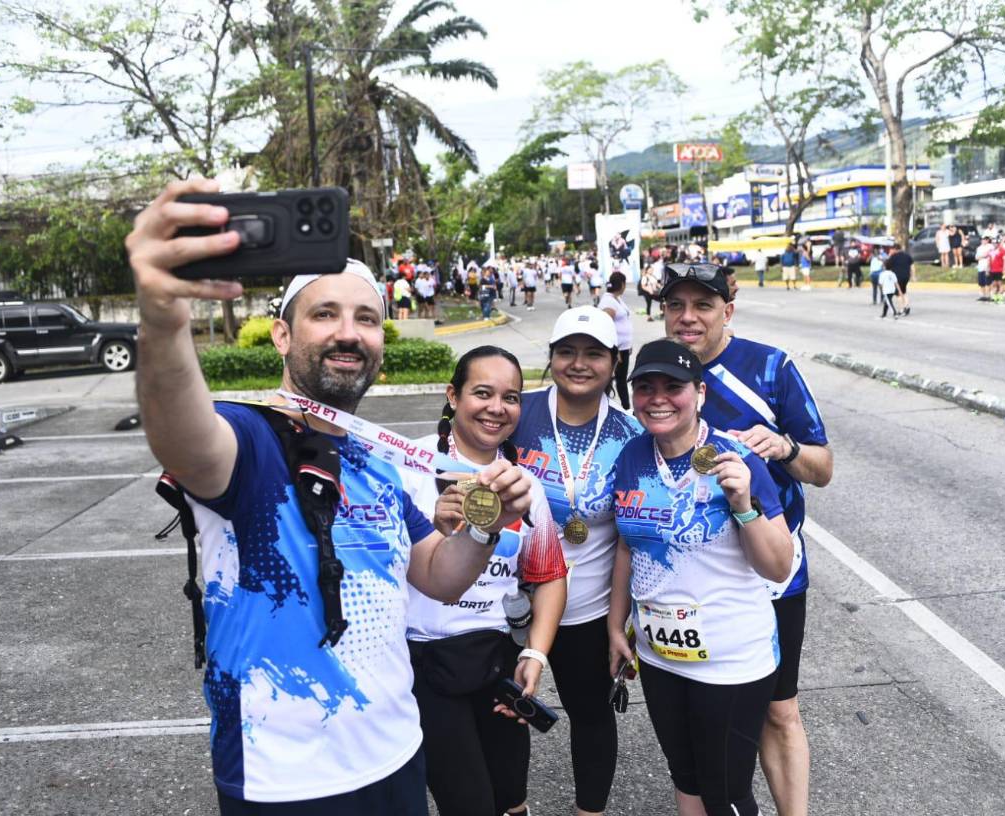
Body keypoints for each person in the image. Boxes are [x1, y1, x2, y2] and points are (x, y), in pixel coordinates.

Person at [127, 178, 535, 815]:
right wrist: (160, 316)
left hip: (397, 754)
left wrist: (486, 528)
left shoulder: (377, 459)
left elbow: (437, 576)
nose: (349, 333)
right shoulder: (248, 438)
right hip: (282, 780)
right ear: (283, 337)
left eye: (366, 318)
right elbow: (180, 432)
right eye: (325, 315)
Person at [661, 262, 832, 816]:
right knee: (701, 710)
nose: (688, 318)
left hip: (770, 570)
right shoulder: (656, 374)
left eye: (702, 306)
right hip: (690, 577)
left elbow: (823, 467)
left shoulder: (769, 367)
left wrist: (784, 450)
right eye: (676, 306)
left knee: (778, 710)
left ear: (726, 312)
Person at [607, 338, 793, 816]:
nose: (658, 398)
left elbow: (777, 566)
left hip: (729, 660)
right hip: (661, 657)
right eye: (645, 387)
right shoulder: (631, 457)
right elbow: (628, 544)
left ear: (700, 393)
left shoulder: (736, 458)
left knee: (726, 792)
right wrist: (614, 625)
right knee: (686, 778)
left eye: (674, 386)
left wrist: (743, 506)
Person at [404, 345, 568, 816]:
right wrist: (428, 528)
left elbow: (550, 576)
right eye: (482, 393)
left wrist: (534, 655)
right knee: (470, 804)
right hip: (425, 662)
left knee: (511, 799)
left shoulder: (523, 485)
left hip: (497, 662)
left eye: (511, 397)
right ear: (452, 396)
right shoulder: (407, 468)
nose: (497, 408)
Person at [509, 307, 644, 816]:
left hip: (587, 610)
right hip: (511, 604)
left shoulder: (632, 434)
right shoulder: (519, 412)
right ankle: (513, 807)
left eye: (593, 354)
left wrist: (620, 624)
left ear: (614, 362)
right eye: (567, 352)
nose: (579, 364)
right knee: (507, 714)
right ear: (551, 358)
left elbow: (632, 538)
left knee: (591, 716)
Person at [598, 272, 634, 412]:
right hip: (616, 349)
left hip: (623, 348)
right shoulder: (608, 301)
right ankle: (616, 407)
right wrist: (615, 349)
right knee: (612, 379)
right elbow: (606, 325)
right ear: (622, 284)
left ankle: (625, 407)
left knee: (620, 379)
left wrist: (627, 345)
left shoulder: (616, 299)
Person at [884, 244, 916, 316]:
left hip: (897, 277)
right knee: (904, 292)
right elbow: (912, 266)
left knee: (898, 294)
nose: (891, 250)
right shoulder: (907, 256)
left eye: (892, 249)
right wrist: (913, 276)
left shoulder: (893, 257)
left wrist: (889, 255)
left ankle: (902, 309)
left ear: (895, 249)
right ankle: (907, 307)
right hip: (906, 277)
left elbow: (887, 266)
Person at [988, 235, 1005, 304]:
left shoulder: (1002, 250)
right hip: (993, 270)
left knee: (1000, 284)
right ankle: (994, 298)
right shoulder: (991, 251)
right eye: (993, 243)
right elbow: (989, 260)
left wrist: (1004, 269)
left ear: (998, 243)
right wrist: (988, 269)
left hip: (999, 270)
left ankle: (1000, 298)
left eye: (996, 243)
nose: (994, 244)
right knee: (994, 284)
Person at [975, 235, 993, 302]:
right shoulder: (979, 248)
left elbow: (989, 254)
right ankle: (983, 296)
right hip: (980, 267)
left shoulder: (990, 246)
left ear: (987, 240)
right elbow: (976, 258)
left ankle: (989, 295)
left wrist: (982, 256)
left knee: (988, 282)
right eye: (983, 239)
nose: (984, 240)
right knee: (981, 282)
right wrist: (983, 256)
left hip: (987, 267)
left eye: (985, 239)